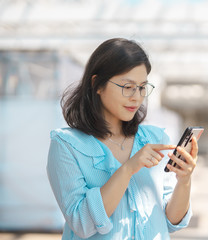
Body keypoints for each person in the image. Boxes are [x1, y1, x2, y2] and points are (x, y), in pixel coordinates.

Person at [47, 38, 198, 240]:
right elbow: (81, 223)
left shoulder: (156, 138)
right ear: (97, 84)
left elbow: (172, 220)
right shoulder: (66, 145)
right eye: (128, 87)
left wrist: (184, 180)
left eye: (143, 87)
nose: (137, 97)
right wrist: (128, 169)